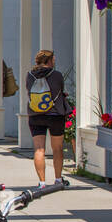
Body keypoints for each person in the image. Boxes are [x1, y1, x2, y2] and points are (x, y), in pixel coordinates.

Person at [26, 49, 70, 186]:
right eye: (53, 60)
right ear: (49, 61)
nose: (54, 62)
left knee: (39, 149)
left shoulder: (29, 75)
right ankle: (58, 180)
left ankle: (42, 182)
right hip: (55, 114)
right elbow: (60, 90)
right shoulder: (56, 75)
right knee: (57, 148)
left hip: (36, 115)